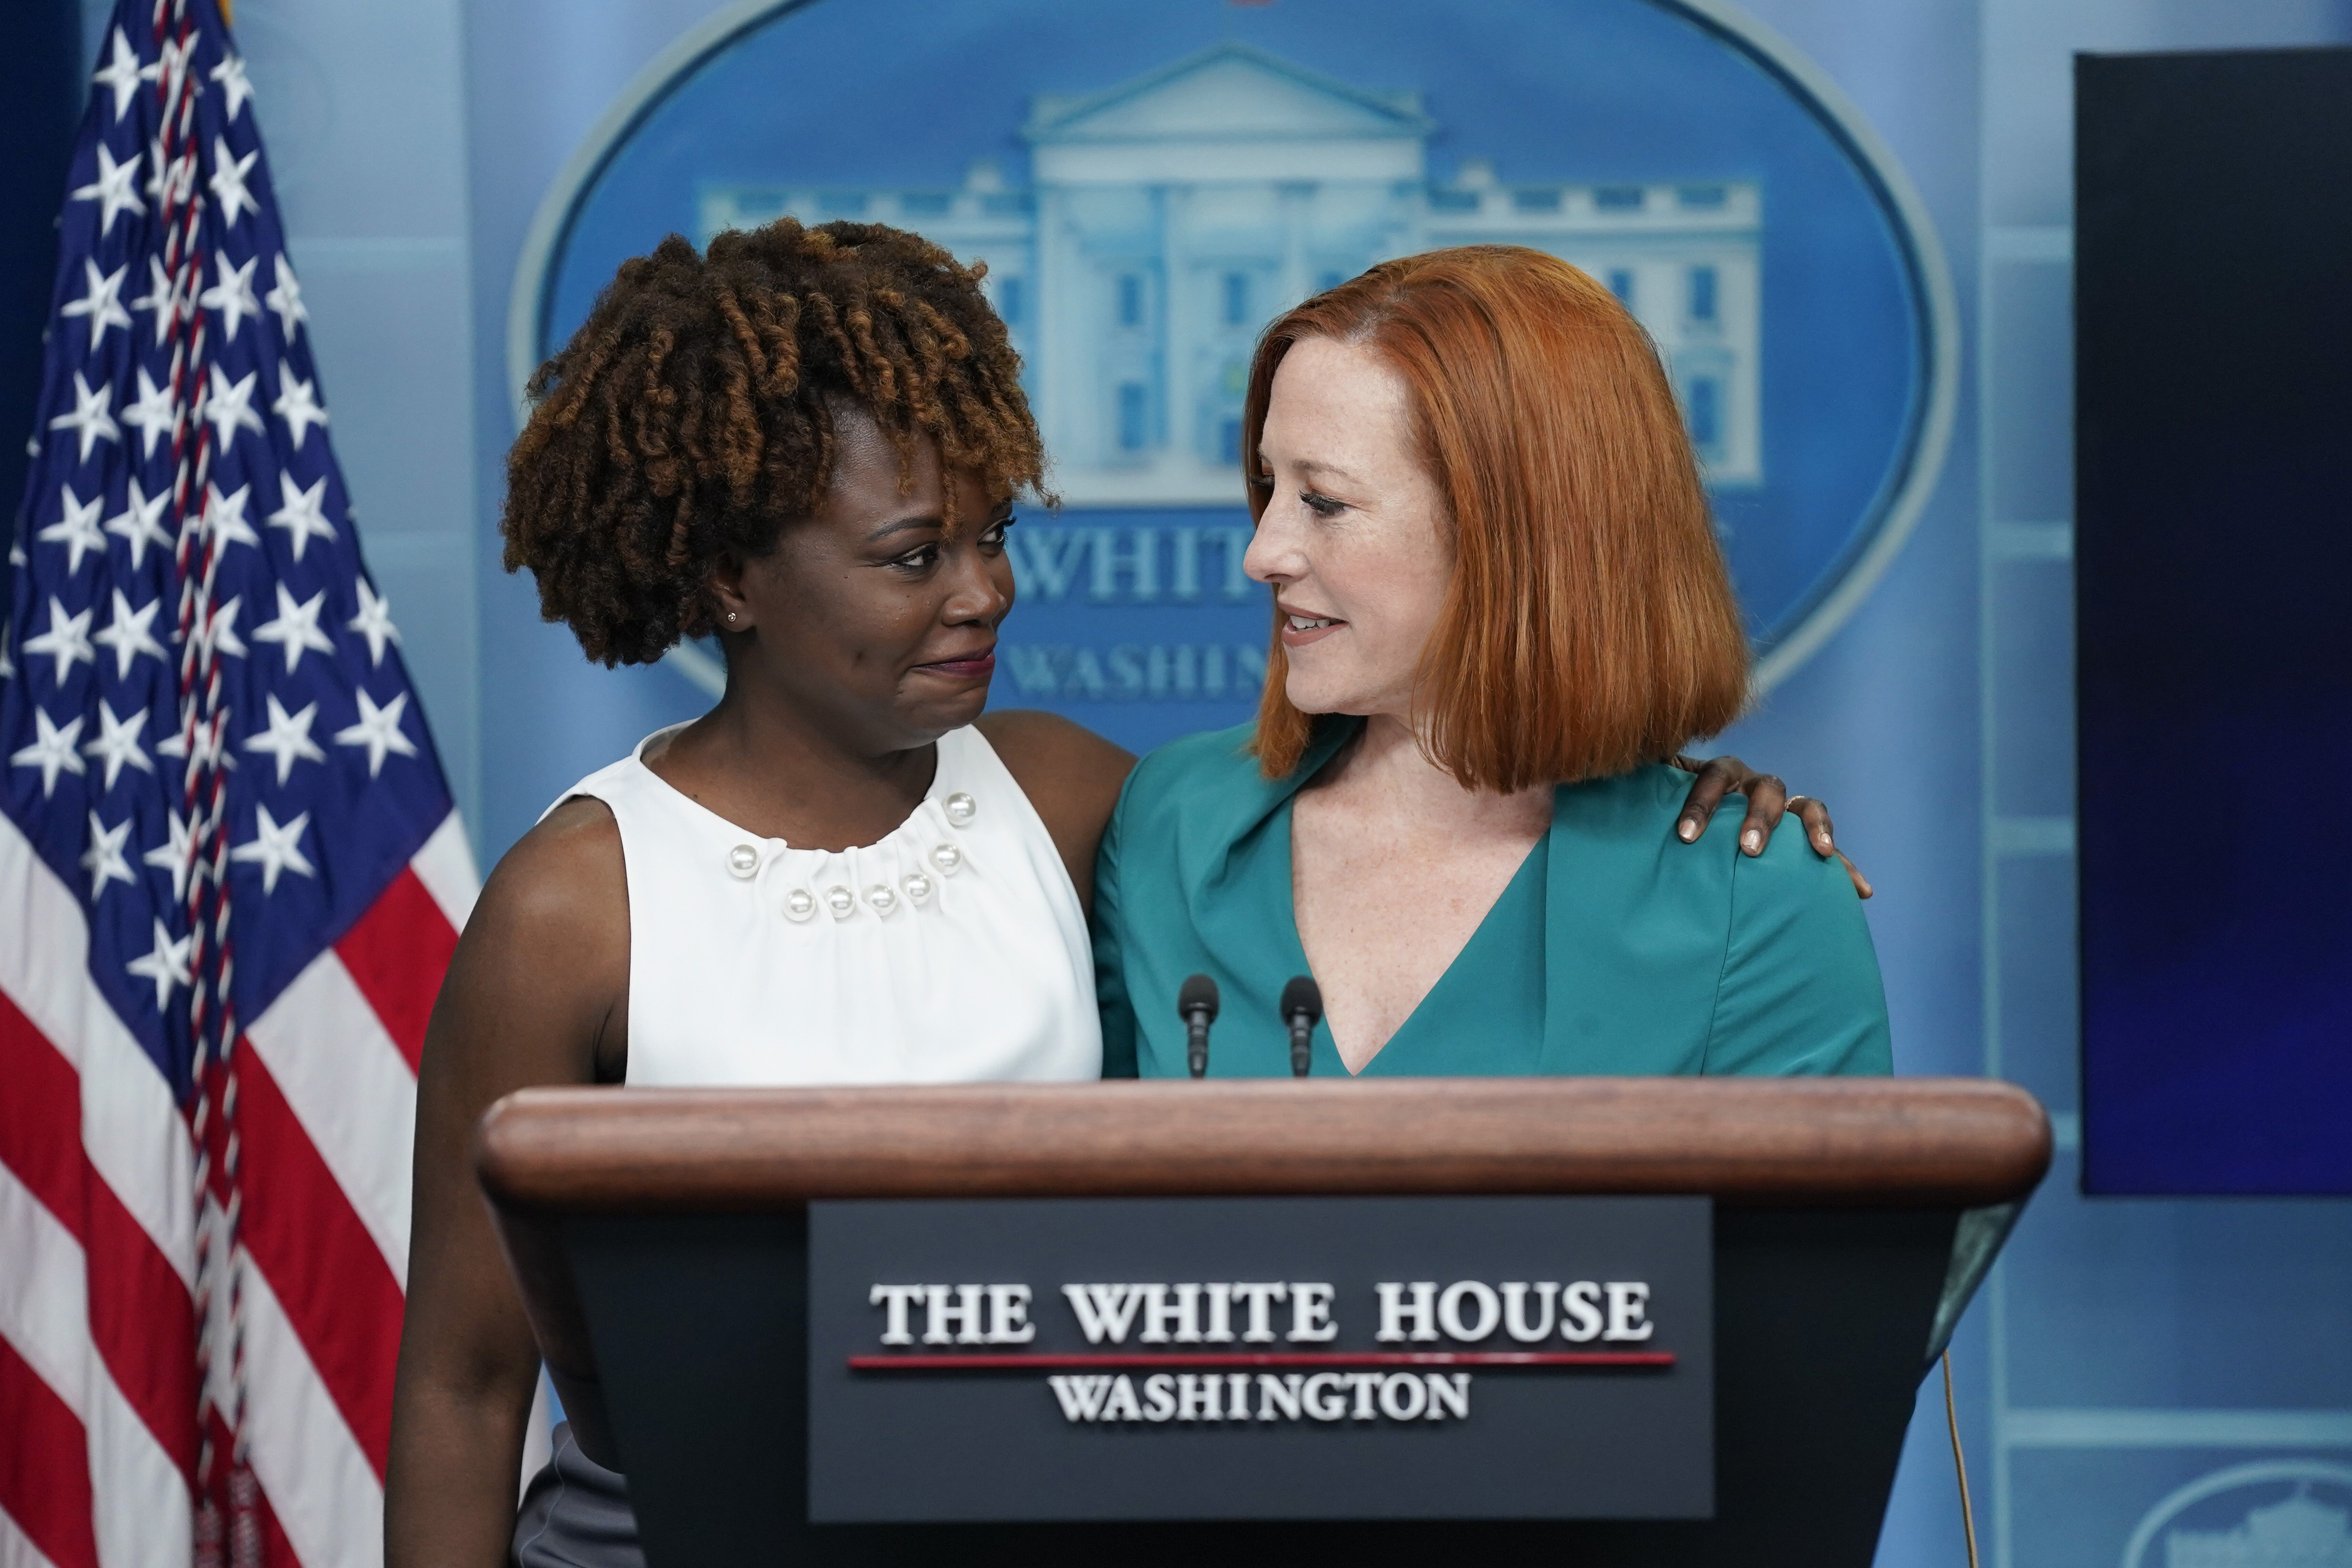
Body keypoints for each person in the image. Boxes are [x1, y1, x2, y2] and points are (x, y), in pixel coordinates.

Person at [384, 221, 1850, 1566]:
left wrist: (1688, 797)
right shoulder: (593, 899)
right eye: (912, 554)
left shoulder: (1079, 802)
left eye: (994, 533)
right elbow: (463, 1378)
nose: (984, 590)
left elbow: (1808, 1373)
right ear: (724, 580)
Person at [1093, 245, 1892, 1080]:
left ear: (1519, 532)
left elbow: (1830, 1216)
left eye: (1324, 501)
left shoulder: (1755, 899)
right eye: (1270, 487)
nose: (1262, 554)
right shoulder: (1170, 826)